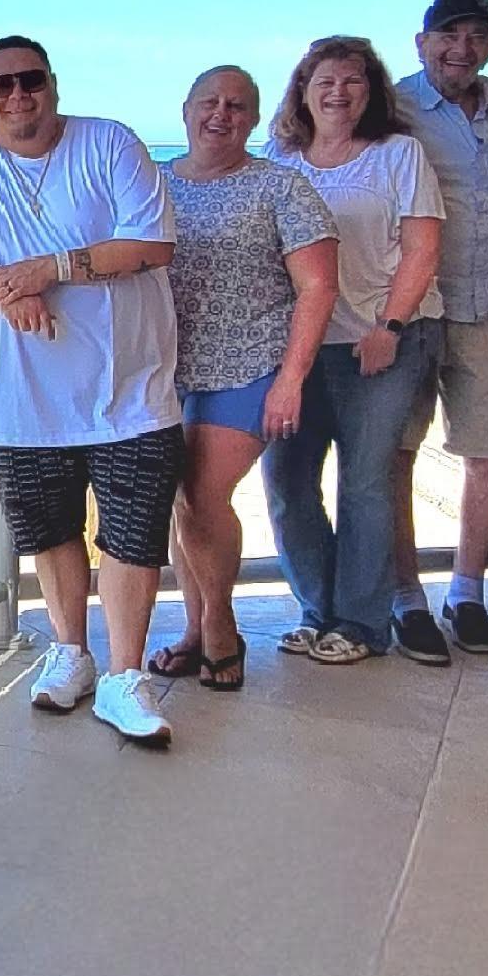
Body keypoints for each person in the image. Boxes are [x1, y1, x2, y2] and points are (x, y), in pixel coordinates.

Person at [0, 35, 185, 744]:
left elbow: (152, 244)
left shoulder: (109, 144)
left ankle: (125, 676)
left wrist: (49, 268)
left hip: (129, 386)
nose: (18, 96)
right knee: (51, 530)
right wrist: (5, 288)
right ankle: (72, 653)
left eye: (31, 80)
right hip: (24, 392)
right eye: (1, 85)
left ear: (54, 86)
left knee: (132, 534)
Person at [145, 66, 338, 691]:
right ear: (186, 109)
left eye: (237, 106)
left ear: (254, 119)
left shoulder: (282, 187)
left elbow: (318, 287)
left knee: (203, 495)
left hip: (252, 365)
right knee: (180, 502)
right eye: (210, 102)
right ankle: (194, 630)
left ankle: (220, 625)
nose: (221, 115)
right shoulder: (152, 185)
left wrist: (291, 379)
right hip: (166, 368)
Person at [262, 37, 446, 663]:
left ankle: (362, 623)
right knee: (287, 482)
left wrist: (388, 327)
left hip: (382, 342)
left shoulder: (399, 154)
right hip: (300, 348)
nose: (338, 92)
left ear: (372, 92)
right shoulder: (281, 159)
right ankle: (318, 610)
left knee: (365, 484)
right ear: (303, 92)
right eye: (325, 82)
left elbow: (422, 249)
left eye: (352, 81)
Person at [393, 0, 488, 657]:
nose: (461, 49)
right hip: (412, 308)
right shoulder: (392, 106)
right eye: (449, 35)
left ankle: (467, 593)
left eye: (476, 35)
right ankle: (406, 599)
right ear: (422, 44)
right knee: (395, 455)